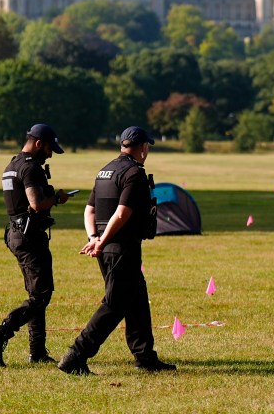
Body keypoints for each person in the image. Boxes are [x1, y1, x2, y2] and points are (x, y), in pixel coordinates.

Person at [58, 126, 175, 375]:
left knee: (137, 299)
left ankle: (145, 356)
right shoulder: (134, 173)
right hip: (121, 246)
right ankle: (76, 355)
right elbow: (122, 213)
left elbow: (90, 210)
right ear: (143, 147)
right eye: (148, 147)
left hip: (107, 246)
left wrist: (94, 237)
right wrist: (101, 241)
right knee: (115, 304)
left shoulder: (105, 171)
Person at [0, 123, 70, 368]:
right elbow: (37, 203)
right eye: (50, 149)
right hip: (29, 237)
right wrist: (57, 198)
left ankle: (37, 351)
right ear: (39, 143)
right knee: (41, 295)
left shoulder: (12, 165)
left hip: (16, 233)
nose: (50, 154)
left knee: (37, 294)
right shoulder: (30, 168)